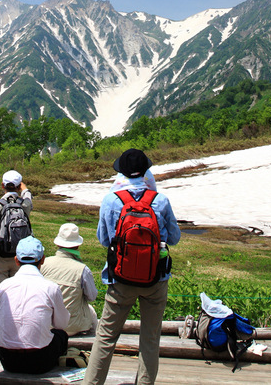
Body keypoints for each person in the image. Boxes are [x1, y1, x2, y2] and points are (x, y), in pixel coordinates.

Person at [83, 149, 181, 385]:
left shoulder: (110, 200)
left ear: (122, 172)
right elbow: (175, 237)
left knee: (106, 336)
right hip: (156, 279)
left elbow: (104, 240)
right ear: (145, 171)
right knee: (150, 339)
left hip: (120, 279)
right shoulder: (160, 200)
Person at [0, 236, 70, 374]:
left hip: (7, 359)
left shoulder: (3, 286)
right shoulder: (50, 287)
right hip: (39, 360)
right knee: (61, 335)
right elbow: (62, 324)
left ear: (16, 260)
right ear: (43, 259)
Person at [40, 223, 98, 336]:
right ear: (77, 246)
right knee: (92, 311)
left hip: (47, 323)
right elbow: (92, 297)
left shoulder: (44, 263)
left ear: (57, 243)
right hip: (72, 327)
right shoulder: (82, 269)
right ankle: (93, 343)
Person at [0, 170, 33, 285]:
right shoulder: (25, 205)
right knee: (18, 290)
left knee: (1, 290)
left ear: (2, 185)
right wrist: (24, 188)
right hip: (19, 256)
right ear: (19, 186)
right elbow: (28, 196)